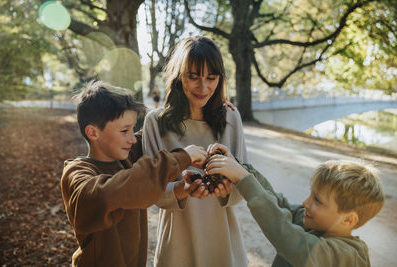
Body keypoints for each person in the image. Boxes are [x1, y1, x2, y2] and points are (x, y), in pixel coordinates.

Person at [61, 80, 207, 267]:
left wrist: (212, 106)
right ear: (93, 132)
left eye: (132, 129)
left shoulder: (125, 152)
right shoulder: (77, 175)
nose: (132, 138)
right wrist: (181, 158)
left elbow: (156, 127)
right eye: (124, 131)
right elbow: (120, 189)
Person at [142, 36, 249, 267]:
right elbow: (150, 191)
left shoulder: (231, 117)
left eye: (211, 78)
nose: (203, 87)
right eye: (194, 77)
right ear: (179, 75)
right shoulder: (155, 123)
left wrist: (226, 190)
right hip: (177, 245)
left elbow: (245, 184)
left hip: (223, 241)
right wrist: (182, 189)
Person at [205, 143, 385, 267]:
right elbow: (277, 204)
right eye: (311, 195)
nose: (306, 202)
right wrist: (243, 169)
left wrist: (244, 180)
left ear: (348, 219)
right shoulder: (312, 223)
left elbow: (289, 238)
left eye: (318, 200)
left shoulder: (347, 255)